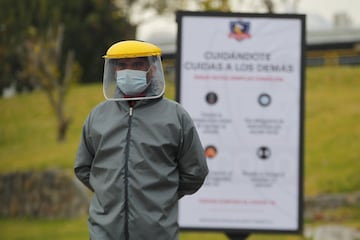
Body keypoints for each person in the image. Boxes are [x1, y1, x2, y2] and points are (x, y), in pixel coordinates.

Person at [74, 40, 208, 240]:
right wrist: (111, 191)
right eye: (122, 65)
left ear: (152, 70)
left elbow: (195, 172)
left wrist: (163, 195)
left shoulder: (175, 116)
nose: (129, 71)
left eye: (137, 65)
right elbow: (83, 168)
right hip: (104, 232)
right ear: (114, 70)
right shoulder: (98, 116)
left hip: (158, 233)